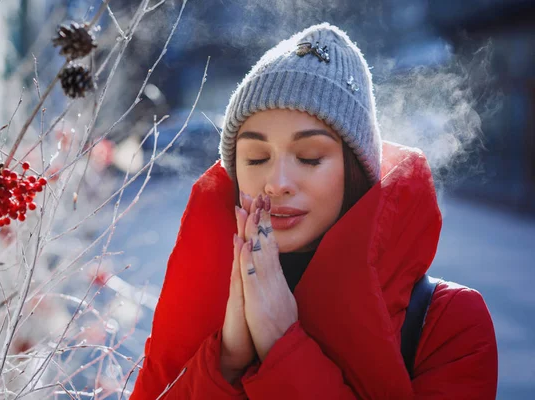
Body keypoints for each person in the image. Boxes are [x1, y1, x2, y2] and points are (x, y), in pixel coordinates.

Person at [130, 23, 498, 399]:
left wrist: (281, 343)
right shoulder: (204, 301)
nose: (277, 182)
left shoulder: (447, 323)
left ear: (355, 169)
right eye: (256, 158)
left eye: (308, 158)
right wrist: (224, 360)